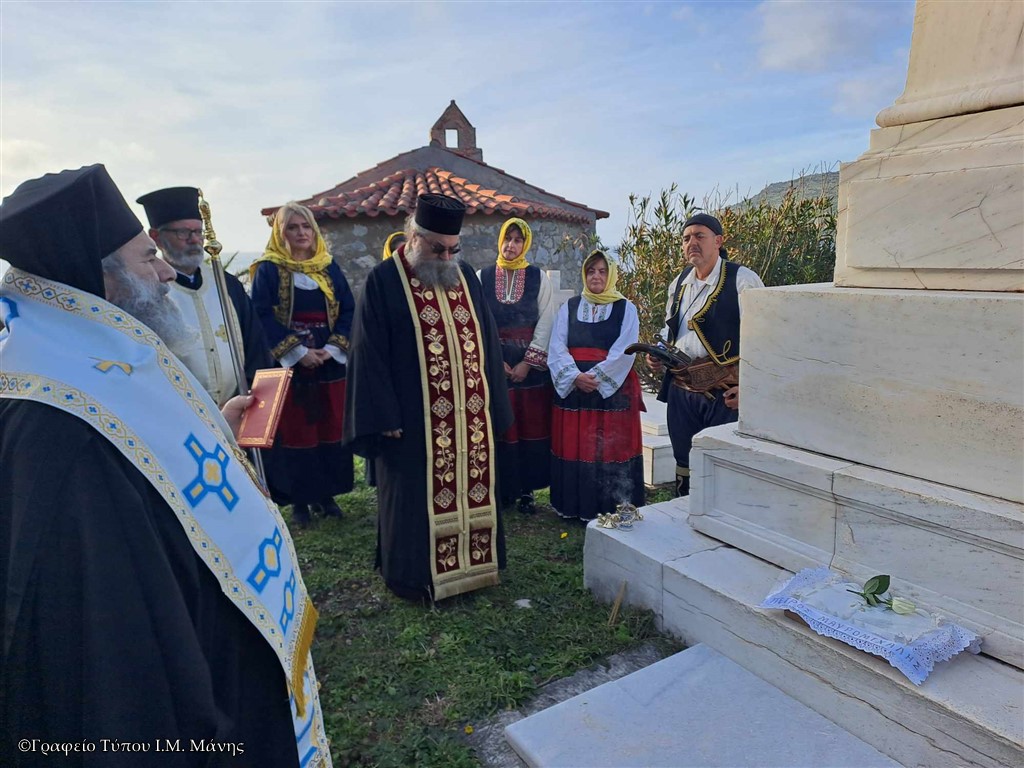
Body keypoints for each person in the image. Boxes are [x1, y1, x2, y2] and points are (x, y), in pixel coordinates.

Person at [0, 165, 330, 767]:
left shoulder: (82, 358)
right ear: (97, 276)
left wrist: (216, 432)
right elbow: (110, 637)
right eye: (148, 256)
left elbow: (147, 458)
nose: (166, 272)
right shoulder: (54, 421)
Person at [343, 194, 512, 602]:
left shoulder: (464, 275)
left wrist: (493, 404)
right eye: (438, 249)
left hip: (468, 420)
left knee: (474, 487)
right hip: (411, 421)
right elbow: (368, 352)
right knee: (412, 499)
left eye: (454, 249)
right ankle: (414, 580)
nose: (446, 257)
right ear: (414, 237)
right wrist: (383, 415)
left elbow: (487, 342)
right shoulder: (385, 280)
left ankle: (475, 568)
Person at [250, 202, 356, 526]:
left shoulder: (328, 267)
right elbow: (261, 314)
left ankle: (327, 494)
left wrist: (331, 349)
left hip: (328, 362)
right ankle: (299, 502)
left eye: (306, 226)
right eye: (292, 228)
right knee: (296, 432)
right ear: (280, 233)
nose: (301, 233)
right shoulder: (269, 269)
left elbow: (349, 309)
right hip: (288, 366)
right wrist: (297, 352)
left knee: (329, 428)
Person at [647, 213, 764, 497]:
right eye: (686, 238)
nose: (692, 243)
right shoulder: (679, 282)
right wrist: (659, 352)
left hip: (724, 393)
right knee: (684, 461)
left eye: (700, 236)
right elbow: (671, 329)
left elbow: (765, 340)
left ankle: (721, 518)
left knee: (721, 463)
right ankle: (684, 513)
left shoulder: (742, 280)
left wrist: (750, 389)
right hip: (681, 389)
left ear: (718, 241)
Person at [136, 186, 271, 406]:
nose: (194, 240)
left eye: (198, 232)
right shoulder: (148, 290)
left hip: (237, 407)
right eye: (183, 233)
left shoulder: (227, 285)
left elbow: (256, 347)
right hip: (180, 412)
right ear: (156, 237)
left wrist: (251, 400)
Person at [548, 250, 645, 520]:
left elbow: (625, 349)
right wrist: (574, 376)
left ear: (611, 275)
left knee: (609, 447)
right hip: (574, 387)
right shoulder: (569, 307)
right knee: (576, 445)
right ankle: (574, 506)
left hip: (611, 390)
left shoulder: (626, 308)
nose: (596, 276)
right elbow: (556, 345)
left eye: (602, 271)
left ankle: (613, 505)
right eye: (591, 271)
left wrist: (596, 378)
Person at [477, 217, 555, 514]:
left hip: (529, 368)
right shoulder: (483, 277)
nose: (511, 245)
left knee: (528, 425)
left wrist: (527, 362)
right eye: (507, 239)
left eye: (517, 240)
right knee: (499, 425)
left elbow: (546, 320)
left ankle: (527, 490)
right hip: (494, 366)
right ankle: (500, 488)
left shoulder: (538, 278)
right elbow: (478, 321)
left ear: (525, 244)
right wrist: (495, 362)